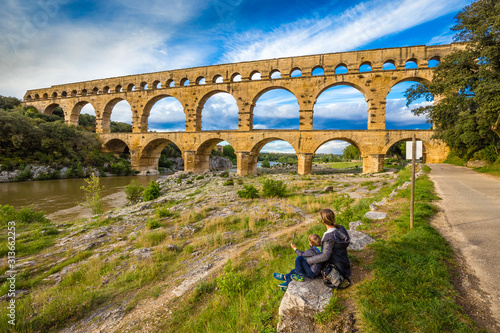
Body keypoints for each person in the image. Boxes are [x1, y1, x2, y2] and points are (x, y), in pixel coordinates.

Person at [306, 208, 351, 280]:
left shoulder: (329, 237)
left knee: (304, 261)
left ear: (323, 220)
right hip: (344, 262)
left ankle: (288, 278)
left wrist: (309, 260)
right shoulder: (341, 228)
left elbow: (325, 256)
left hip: (336, 266)